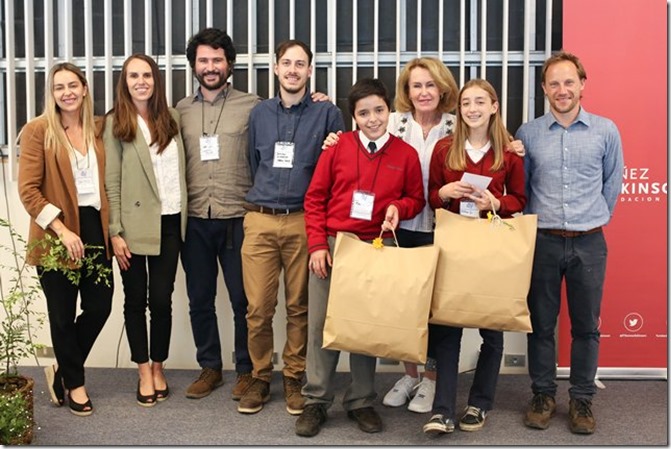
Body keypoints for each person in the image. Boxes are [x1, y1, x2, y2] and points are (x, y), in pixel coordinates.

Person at [295, 78, 425, 437]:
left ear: (389, 110)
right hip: (335, 247)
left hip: (376, 248)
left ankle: (361, 400)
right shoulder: (337, 148)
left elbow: (417, 199)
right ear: (354, 117)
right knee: (322, 323)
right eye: (364, 113)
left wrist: (399, 206)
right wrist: (317, 244)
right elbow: (315, 199)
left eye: (379, 111)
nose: (372, 119)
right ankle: (316, 400)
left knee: (365, 328)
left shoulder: (405, 154)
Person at [516, 51, 623, 435]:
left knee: (586, 328)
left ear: (582, 84)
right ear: (544, 88)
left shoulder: (605, 130)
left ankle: (581, 400)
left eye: (569, 82)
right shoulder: (528, 133)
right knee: (541, 325)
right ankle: (543, 395)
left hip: (590, 242)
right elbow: (522, 189)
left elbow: (612, 185)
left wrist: (591, 218)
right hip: (542, 242)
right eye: (554, 83)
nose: (562, 90)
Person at [238, 39, 345, 416]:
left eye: (300, 64)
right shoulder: (259, 114)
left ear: (310, 70)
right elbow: (253, 162)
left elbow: (337, 168)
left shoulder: (327, 112)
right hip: (261, 219)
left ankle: (294, 377)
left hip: (304, 219)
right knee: (257, 309)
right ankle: (261, 375)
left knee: (300, 307)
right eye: (287, 63)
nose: (293, 70)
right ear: (276, 68)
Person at [423, 79, 526, 436]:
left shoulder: (510, 154)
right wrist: (445, 192)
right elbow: (432, 197)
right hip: (454, 247)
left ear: (494, 106)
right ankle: (442, 410)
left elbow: (521, 201)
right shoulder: (443, 149)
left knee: (491, 332)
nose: (472, 109)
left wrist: (497, 203)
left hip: (492, 250)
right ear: (459, 110)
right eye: (466, 103)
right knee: (447, 330)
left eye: (480, 102)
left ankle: (480, 403)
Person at [18, 62, 114, 416]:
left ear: (85, 89)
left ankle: (61, 369)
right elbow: (28, 191)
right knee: (61, 315)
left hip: (94, 226)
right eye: (59, 87)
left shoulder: (99, 129)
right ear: (52, 94)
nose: (67, 92)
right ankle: (75, 384)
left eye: (73, 85)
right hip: (55, 231)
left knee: (100, 306)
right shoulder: (37, 130)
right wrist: (61, 229)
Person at [176, 28, 260, 400]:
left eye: (217, 60)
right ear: (194, 65)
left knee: (244, 301)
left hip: (238, 217)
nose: (210, 67)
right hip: (194, 219)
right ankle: (209, 367)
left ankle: (246, 369)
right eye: (203, 60)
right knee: (199, 298)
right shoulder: (179, 110)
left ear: (229, 64)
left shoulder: (254, 106)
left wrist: (320, 99)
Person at [103, 54, 187, 407]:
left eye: (147, 75)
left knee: (162, 300)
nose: (141, 81)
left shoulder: (172, 118)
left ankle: (158, 365)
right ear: (124, 81)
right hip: (132, 227)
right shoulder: (114, 124)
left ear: (156, 80)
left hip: (171, 220)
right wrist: (115, 232)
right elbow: (112, 181)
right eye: (134, 75)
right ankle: (142, 370)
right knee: (135, 301)